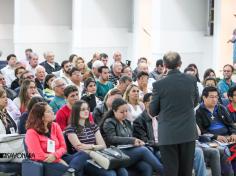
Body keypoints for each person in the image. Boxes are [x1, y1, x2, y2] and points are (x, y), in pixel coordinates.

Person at [150, 51, 199, 176]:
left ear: (164, 65)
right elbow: (195, 102)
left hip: (168, 134)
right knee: (186, 171)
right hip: (187, 132)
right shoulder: (192, 80)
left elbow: (153, 111)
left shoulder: (158, 84)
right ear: (180, 64)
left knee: (171, 172)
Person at [101, 98, 164, 176]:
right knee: (143, 150)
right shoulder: (109, 122)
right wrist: (132, 140)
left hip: (129, 151)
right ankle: (165, 172)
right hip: (117, 153)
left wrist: (135, 142)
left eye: (126, 111)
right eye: (122, 112)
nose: (125, 114)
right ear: (114, 111)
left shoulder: (126, 122)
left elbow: (131, 138)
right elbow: (112, 138)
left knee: (147, 167)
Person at [65, 100, 128, 176]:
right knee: (111, 174)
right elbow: (80, 148)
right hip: (85, 160)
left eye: (87, 109)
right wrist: (95, 147)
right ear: (76, 112)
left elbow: (103, 146)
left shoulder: (93, 126)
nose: (86, 111)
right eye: (83, 109)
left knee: (122, 171)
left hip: (100, 156)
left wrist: (90, 147)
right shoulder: (71, 128)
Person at [25, 102, 89, 176]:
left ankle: (70, 172)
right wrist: (58, 160)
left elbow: (63, 147)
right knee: (79, 168)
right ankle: (71, 171)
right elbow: (38, 155)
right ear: (41, 116)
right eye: (49, 111)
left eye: (52, 110)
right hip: (44, 162)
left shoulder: (55, 126)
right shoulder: (31, 132)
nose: (53, 112)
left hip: (59, 156)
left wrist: (56, 156)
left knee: (84, 154)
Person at [196, 86, 236, 175]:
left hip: (228, 137)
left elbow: (231, 124)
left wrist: (233, 133)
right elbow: (202, 132)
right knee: (226, 151)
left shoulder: (221, 108)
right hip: (213, 140)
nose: (214, 99)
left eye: (216, 97)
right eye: (211, 97)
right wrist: (216, 136)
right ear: (204, 97)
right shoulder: (199, 112)